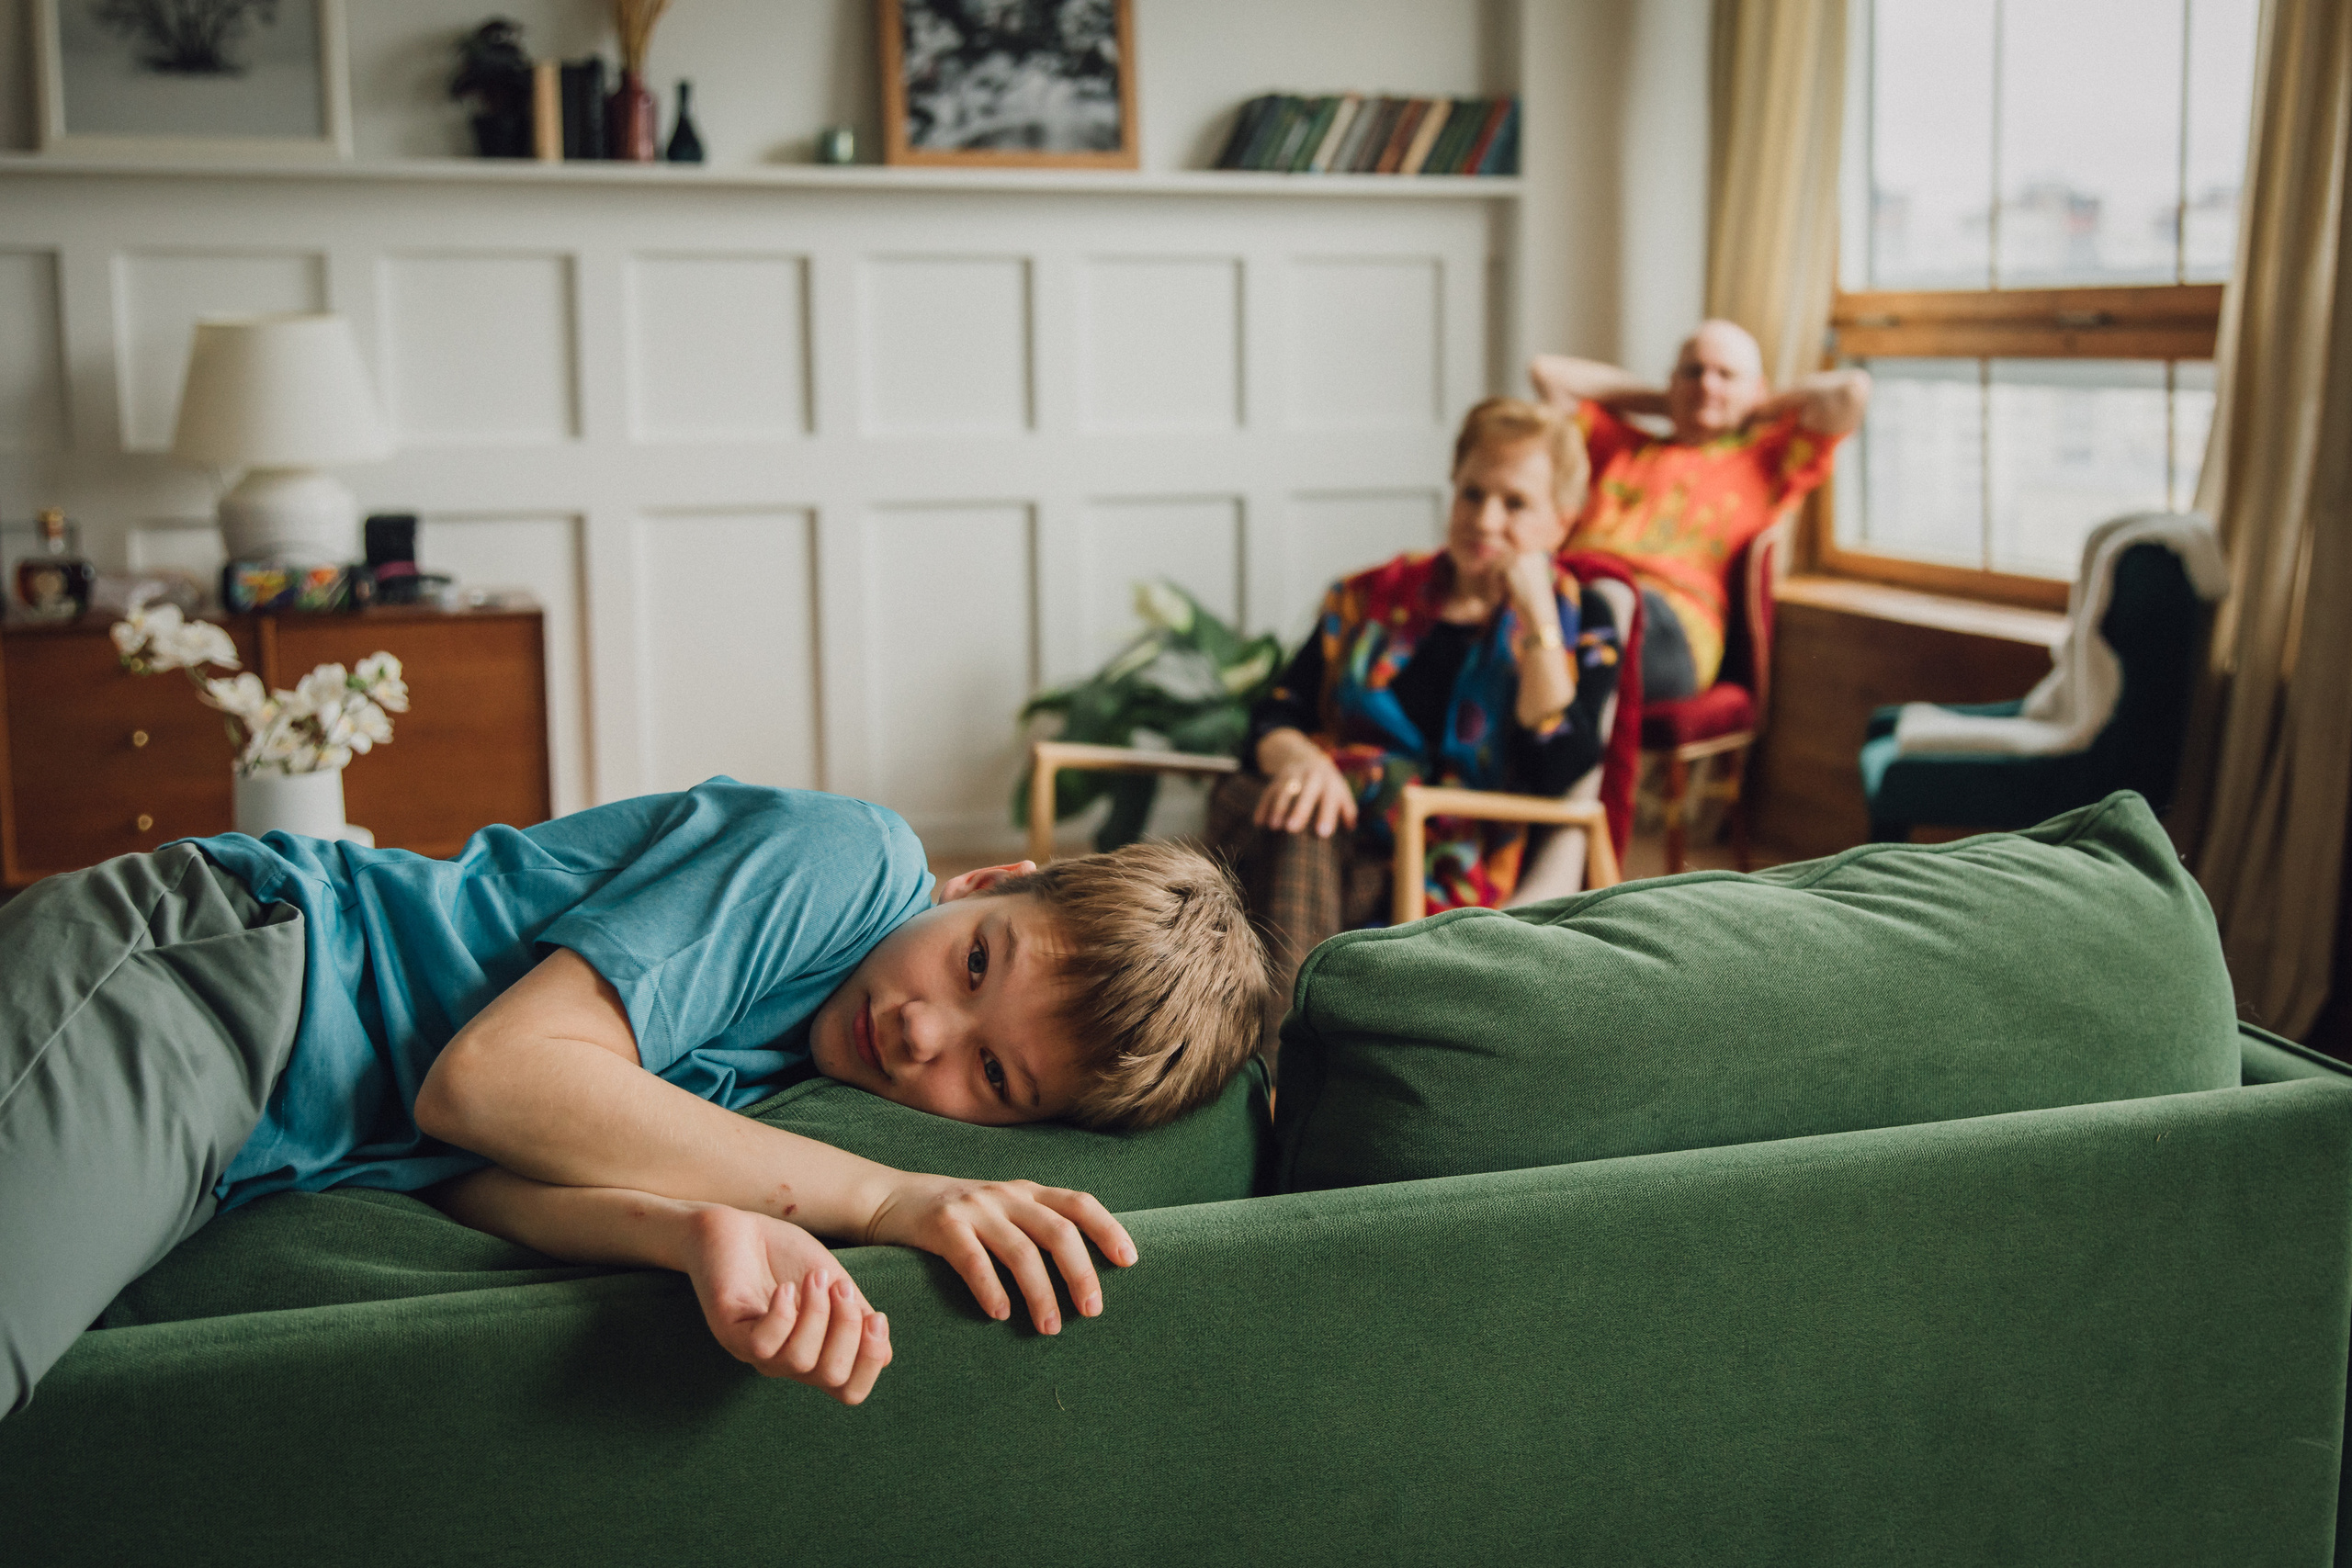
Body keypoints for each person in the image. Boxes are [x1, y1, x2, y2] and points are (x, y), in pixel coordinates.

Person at [0, 780, 1270, 1416]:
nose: (921, 1029)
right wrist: (888, 1198)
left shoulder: (793, 1095)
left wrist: (694, 1230)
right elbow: (489, 1081)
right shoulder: (847, 862)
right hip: (223, 980)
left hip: (263, 1129)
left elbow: (478, 1172)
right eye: (976, 961)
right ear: (989, 879)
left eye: (990, 1076)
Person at [1211, 397, 1623, 1050]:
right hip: (1321, 821)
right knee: (1304, 813)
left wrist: (1537, 616)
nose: (1484, 519)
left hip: (1436, 863)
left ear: (1563, 520)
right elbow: (1275, 714)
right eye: (1472, 493)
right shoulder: (1367, 597)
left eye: (1515, 503)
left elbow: (1557, 768)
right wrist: (1307, 763)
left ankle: (1262, 1068)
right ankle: (1293, 1072)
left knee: (1288, 842)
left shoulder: (1581, 619)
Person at [1531, 321, 1871, 700]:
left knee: (1593, 609)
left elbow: (1850, 391)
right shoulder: (1619, 445)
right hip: (1570, 594)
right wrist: (1667, 402)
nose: (1707, 385)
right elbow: (1548, 374)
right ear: (1671, 382)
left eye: (1726, 375)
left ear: (1757, 389)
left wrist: (1756, 407)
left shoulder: (1766, 460)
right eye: (1693, 372)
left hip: (1671, 625)